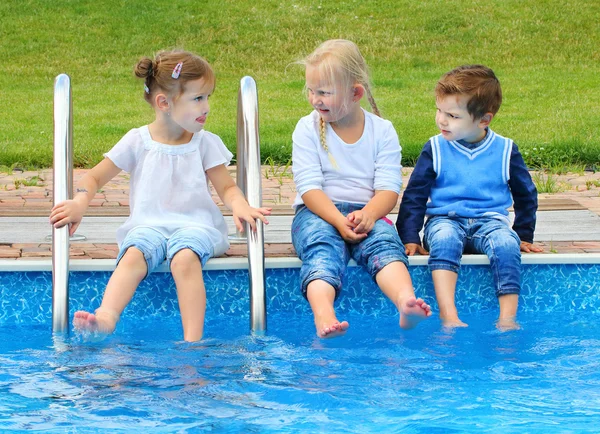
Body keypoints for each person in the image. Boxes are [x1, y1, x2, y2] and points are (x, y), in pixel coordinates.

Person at [49, 50, 271, 342]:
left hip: (196, 226)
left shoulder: (204, 143)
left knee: (184, 257)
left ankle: (193, 342)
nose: (206, 106)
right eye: (197, 98)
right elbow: (93, 177)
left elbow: (227, 187)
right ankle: (106, 316)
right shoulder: (137, 141)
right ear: (164, 103)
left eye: (207, 97)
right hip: (149, 226)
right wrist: (79, 201)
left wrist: (241, 206)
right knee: (133, 255)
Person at [291, 39, 431, 338]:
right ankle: (324, 315)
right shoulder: (307, 128)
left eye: (324, 92)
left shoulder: (382, 131)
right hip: (318, 212)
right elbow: (309, 188)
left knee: (385, 246)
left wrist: (369, 214)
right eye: (311, 91)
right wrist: (338, 220)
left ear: (356, 93)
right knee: (322, 250)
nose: (315, 99)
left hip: (368, 213)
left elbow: (388, 189)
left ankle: (406, 302)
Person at [396, 64, 543, 331]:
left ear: (483, 120)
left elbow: (526, 194)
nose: (441, 120)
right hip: (445, 220)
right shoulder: (436, 147)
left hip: (491, 222)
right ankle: (449, 314)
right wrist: (409, 236)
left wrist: (522, 234)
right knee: (443, 239)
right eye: (439, 110)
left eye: (452, 115)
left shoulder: (505, 150)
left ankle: (507, 318)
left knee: (506, 244)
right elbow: (415, 195)